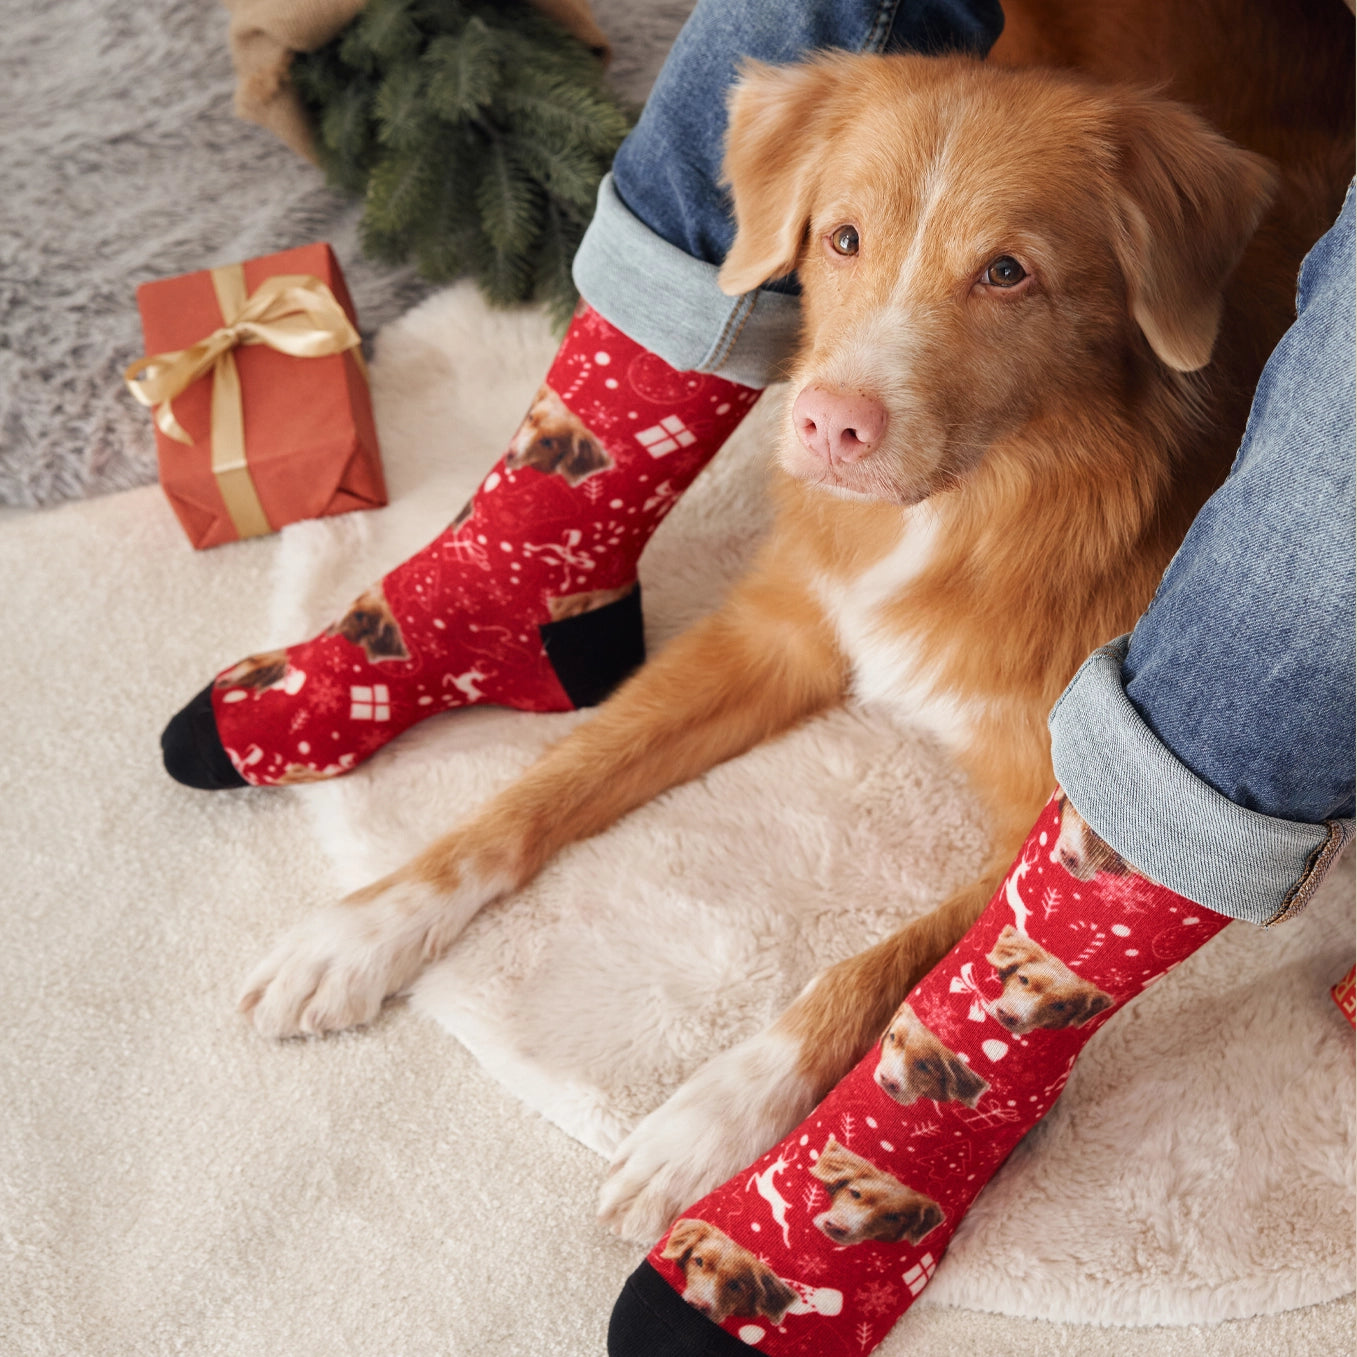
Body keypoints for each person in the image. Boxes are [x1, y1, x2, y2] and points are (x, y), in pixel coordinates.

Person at [162, 2, 1353, 1352]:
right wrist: (458, 867)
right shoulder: (846, 386)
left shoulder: (1110, 464)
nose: (847, 383)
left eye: (1002, 274)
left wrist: (804, 1036)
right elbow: (771, 643)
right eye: (842, 242)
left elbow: (1040, 824)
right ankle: (542, 550)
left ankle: (975, 1057)